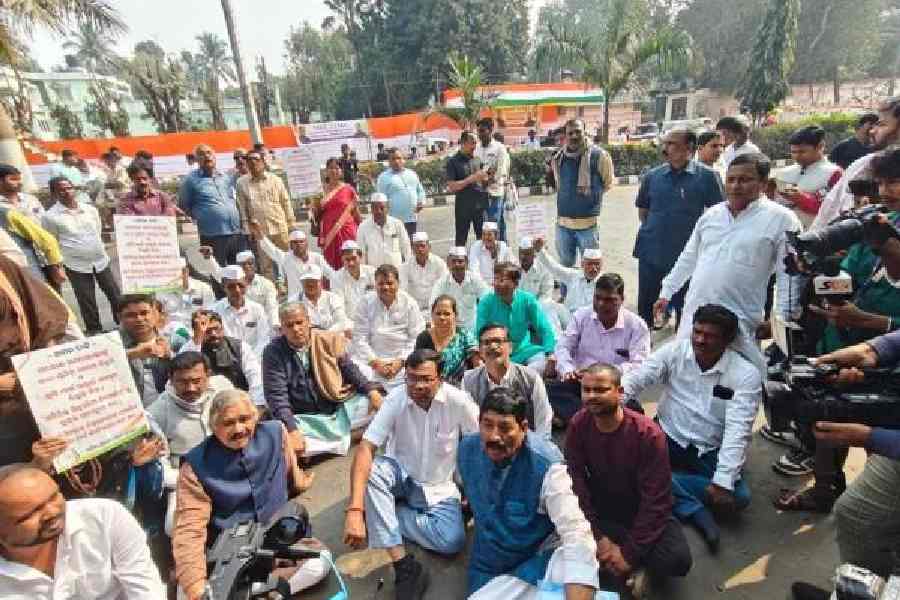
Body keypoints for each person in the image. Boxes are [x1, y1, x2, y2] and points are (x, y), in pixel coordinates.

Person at [771, 148, 900, 502]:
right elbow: (851, 274)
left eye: (895, 182)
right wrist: (819, 269)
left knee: (880, 437)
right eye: (883, 182)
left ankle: (881, 507)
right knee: (827, 413)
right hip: (843, 341)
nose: (886, 191)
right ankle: (826, 489)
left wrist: (869, 320)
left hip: (887, 361)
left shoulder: (886, 230)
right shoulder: (878, 222)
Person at [623, 304, 760, 552]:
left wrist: (723, 480)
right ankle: (694, 508)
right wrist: (609, 403)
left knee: (739, 497)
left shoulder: (745, 375)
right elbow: (638, 377)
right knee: (622, 458)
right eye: (697, 332)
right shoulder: (676, 351)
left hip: (708, 449)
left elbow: (738, 431)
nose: (700, 340)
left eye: (709, 336)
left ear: (727, 340)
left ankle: (662, 484)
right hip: (667, 434)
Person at [343, 349, 479, 598]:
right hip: (400, 478)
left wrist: (472, 488)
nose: (418, 386)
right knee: (372, 472)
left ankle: (382, 513)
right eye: (412, 378)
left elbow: (478, 444)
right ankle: (404, 565)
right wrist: (354, 510)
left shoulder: (459, 401)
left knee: (452, 542)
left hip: (439, 487)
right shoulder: (395, 399)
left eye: (426, 379)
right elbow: (366, 447)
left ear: (441, 377)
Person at [653, 152, 802, 373]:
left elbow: (789, 276)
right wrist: (666, 292)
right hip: (696, 314)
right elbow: (688, 258)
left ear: (763, 183)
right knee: (685, 376)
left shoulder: (782, 220)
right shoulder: (712, 216)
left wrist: (781, 319)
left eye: (744, 180)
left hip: (740, 320)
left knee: (736, 385)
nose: (735, 186)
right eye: (731, 179)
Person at [173, 390, 321, 600]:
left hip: (277, 542)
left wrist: (301, 483)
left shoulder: (276, 433)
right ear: (214, 427)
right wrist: (196, 585)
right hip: (228, 556)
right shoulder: (195, 466)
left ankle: (260, 592)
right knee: (191, 592)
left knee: (319, 563)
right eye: (229, 423)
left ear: (255, 417)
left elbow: (291, 475)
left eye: (244, 419)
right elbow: (190, 530)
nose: (239, 429)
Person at [457, 387, 599, 599]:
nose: (494, 436)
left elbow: (575, 530)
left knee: (574, 566)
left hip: (534, 561)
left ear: (523, 428)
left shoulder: (548, 465)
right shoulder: (467, 449)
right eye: (487, 425)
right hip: (487, 562)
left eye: (505, 428)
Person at [566, 365, 692, 594]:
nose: (592, 396)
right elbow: (575, 484)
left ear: (619, 391)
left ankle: (630, 565)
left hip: (640, 510)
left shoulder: (648, 433)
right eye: (586, 389)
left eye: (601, 389)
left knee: (678, 559)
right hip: (603, 512)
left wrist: (629, 554)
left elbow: (657, 501)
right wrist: (599, 537)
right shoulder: (578, 425)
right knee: (566, 539)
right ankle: (630, 565)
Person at [0, 464, 166, 599]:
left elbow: (145, 588)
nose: (52, 512)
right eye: (32, 512)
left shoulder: (105, 517)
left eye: (53, 496)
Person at [263, 302, 384, 457]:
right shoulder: (273, 352)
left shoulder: (325, 338)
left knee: (376, 403)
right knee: (281, 436)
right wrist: (292, 430)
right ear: (282, 329)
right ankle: (355, 435)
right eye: (289, 325)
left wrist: (371, 391)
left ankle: (330, 445)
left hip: (337, 407)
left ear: (308, 321)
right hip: (305, 419)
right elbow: (276, 396)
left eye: (299, 322)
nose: (296, 329)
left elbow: (348, 369)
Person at [635, 129, 726, 329]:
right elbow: (643, 211)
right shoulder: (653, 176)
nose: (665, 149)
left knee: (686, 309)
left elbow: (720, 214)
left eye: (672, 144)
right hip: (651, 252)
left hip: (686, 256)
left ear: (689, 148)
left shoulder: (707, 177)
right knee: (646, 306)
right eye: (665, 143)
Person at [0, 255, 75, 467]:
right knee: (15, 485)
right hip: (4, 417)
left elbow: (44, 313)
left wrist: (46, 363)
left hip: (33, 392)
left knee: (55, 462)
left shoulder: (4, 267)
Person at [550, 274, 651, 423]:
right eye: (597, 298)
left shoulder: (637, 326)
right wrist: (568, 370)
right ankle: (601, 418)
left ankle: (581, 418)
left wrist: (608, 374)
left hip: (612, 387)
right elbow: (563, 346)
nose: (602, 304)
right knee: (549, 390)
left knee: (635, 410)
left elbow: (640, 364)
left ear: (622, 299)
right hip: (581, 382)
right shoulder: (581, 316)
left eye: (610, 300)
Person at [42, 176, 121, 336]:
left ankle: (122, 324)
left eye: (69, 188)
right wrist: (57, 267)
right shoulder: (50, 217)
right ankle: (95, 330)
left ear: (74, 189)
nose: (66, 192)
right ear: (54, 193)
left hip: (100, 260)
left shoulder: (89, 210)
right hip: (75, 264)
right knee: (86, 299)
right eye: (61, 189)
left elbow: (97, 231)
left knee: (114, 294)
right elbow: (52, 242)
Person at [814, 97, 900, 230]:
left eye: (882, 124)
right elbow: (829, 211)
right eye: (880, 183)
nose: (872, 131)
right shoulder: (863, 165)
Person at [146, 351, 234, 477]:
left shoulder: (223, 388)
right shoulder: (156, 414)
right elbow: (160, 469)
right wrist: (190, 482)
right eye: (182, 382)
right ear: (170, 379)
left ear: (208, 375)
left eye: (196, 381)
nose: (190, 388)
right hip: (187, 483)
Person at [462, 323, 553, 438]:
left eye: (498, 341)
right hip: (487, 447)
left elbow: (543, 422)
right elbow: (470, 427)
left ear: (510, 347)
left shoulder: (530, 378)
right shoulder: (469, 380)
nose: (493, 346)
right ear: (480, 350)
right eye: (487, 343)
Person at [548, 118, 615, 268]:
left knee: (590, 269)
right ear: (565, 135)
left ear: (584, 132)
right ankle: (566, 293)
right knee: (565, 268)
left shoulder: (600, 156)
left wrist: (590, 197)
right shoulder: (558, 157)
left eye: (578, 131)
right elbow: (559, 186)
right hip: (563, 226)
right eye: (570, 133)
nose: (574, 136)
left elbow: (608, 183)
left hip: (588, 228)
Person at [352, 264, 425, 389]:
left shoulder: (409, 303)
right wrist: (375, 363)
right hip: (373, 361)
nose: (385, 287)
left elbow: (416, 336)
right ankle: (377, 389)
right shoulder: (365, 302)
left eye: (390, 283)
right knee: (353, 366)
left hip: (402, 361)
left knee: (419, 371)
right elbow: (360, 338)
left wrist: (401, 361)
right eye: (381, 284)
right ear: (375, 284)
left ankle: (381, 389)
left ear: (398, 283)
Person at [475, 262, 556, 374]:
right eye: (495, 279)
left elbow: (544, 329)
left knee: (540, 364)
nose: (496, 284)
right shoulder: (485, 302)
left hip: (525, 351)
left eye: (502, 280)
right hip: (497, 351)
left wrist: (550, 352)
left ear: (515, 283)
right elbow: (480, 333)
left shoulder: (528, 300)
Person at [0, 164, 66, 288]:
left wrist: (56, 264)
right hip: (23, 262)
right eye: (13, 179)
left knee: (55, 298)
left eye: (19, 178)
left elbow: (45, 229)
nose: (19, 182)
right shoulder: (2, 209)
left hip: (47, 257)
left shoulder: (31, 200)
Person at [179, 144, 245, 266]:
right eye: (202, 154)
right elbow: (183, 205)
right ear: (196, 160)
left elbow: (232, 199)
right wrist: (201, 216)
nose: (206, 156)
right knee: (217, 272)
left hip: (235, 232)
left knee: (237, 273)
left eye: (209, 152)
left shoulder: (225, 177)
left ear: (214, 156)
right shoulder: (190, 180)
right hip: (212, 235)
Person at [236, 149, 297, 280]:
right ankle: (273, 294)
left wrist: (291, 225)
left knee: (287, 260)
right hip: (260, 232)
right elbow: (242, 208)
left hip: (280, 228)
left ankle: (290, 287)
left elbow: (286, 202)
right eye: (249, 160)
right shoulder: (241, 183)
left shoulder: (276, 180)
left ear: (263, 162)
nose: (253, 163)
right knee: (266, 266)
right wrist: (248, 230)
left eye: (256, 159)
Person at [180, 311, 264, 405]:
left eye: (217, 329)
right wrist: (197, 339)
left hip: (239, 404)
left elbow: (256, 381)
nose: (214, 334)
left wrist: (256, 406)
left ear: (223, 328)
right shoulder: (192, 348)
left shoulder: (239, 347)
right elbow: (184, 368)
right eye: (208, 331)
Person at [770, 125, 843, 228]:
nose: (797, 156)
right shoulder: (784, 172)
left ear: (820, 146)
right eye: (793, 152)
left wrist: (799, 197)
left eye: (802, 152)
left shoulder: (833, 173)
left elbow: (830, 208)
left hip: (814, 234)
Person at [249, 223, 330, 301]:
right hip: (296, 301)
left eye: (301, 241)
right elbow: (270, 249)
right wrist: (259, 233)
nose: (298, 244)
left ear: (306, 243)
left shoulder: (317, 258)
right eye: (295, 242)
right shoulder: (285, 258)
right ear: (290, 245)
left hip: (317, 300)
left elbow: (330, 275)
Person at [532, 236, 605, 317]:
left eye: (597, 264)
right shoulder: (573, 276)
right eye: (590, 264)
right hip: (570, 318)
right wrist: (540, 251)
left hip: (592, 321)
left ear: (601, 265)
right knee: (547, 306)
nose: (593, 268)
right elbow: (554, 267)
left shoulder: (605, 282)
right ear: (582, 264)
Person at [210, 265, 273, 357]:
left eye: (241, 285)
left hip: (256, 359)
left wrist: (251, 359)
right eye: (231, 287)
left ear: (246, 284)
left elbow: (264, 339)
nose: (237, 290)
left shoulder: (257, 309)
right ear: (224, 287)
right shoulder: (215, 311)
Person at [415, 295, 479, 385]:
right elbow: (418, 367)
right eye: (438, 313)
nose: (442, 317)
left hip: (462, 388)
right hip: (431, 387)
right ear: (432, 315)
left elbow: (478, 366)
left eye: (446, 314)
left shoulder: (465, 336)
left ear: (455, 315)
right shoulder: (424, 337)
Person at [314, 157, 361, 270]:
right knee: (330, 263)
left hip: (347, 230)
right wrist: (314, 209)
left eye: (337, 168)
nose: (334, 171)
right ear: (326, 170)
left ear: (341, 171)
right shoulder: (320, 191)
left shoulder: (348, 189)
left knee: (350, 257)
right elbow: (316, 214)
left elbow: (355, 212)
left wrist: (362, 229)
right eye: (330, 168)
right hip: (329, 231)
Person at [429, 246, 490, 332]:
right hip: (450, 328)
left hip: (473, 328)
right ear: (448, 264)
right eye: (453, 261)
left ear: (467, 263)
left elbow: (487, 299)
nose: (457, 264)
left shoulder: (475, 280)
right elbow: (433, 305)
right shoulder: (441, 283)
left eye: (460, 261)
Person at [447, 130, 490, 246]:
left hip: (480, 206)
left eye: (476, 143)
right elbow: (452, 187)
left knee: (483, 239)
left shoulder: (477, 160)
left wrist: (489, 179)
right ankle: (460, 263)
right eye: (472, 143)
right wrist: (471, 179)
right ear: (463, 143)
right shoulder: (453, 162)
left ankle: (483, 263)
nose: (474, 146)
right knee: (461, 240)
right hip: (463, 207)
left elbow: (483, 182)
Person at [326, 239, 376, 330]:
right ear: (342, 260)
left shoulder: (372, 272)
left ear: (360, 257)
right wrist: (351, 326)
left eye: (354, 258)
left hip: (374, 321)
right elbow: (339, 308)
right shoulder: (336, 277)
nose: (351, 263)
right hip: (350, 324)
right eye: (347, 260)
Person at [474, 118, 511, 241]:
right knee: (489, 224)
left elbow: (501, 171)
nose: (480, 134)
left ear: (490, 130)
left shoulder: (500, 148)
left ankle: (500, 252)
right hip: (480, 193)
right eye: (478, 131)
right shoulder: (476, 148)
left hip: (495, 192)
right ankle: (502, 247)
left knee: (493, 224)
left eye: (482, 131)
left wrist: (489, 180)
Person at [377, 147, 426, 238]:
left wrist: (421, 202)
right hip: (393, 221)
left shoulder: (412, 174)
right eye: (393, 159)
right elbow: (381, 200)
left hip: (411, 219)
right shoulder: (383, 178)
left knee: (411, 245)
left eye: (399, 158)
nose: (396, 161)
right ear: (389, 161)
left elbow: (420, 191)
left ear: (403, 159)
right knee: (396, 248)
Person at [155, 258, 216, 328]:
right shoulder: (160, 292)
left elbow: (211, 316)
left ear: (186, 271)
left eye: (176, 270)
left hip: (198, 331)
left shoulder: (204, 289)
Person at [400, 232, 448, 317]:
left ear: (429, 247)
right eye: (417, 246)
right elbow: (402, 289)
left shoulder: (439, 263)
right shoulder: (406, 266)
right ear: (412, 249)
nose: (420, 249)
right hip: (414, 308)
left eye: (422, 246)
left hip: (435, 307)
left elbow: (445, 286)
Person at [356, 192, 411, 268]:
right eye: (375, 208)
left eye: (382, 208)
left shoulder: (397, 224)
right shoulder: (363, 227)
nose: (379, 211)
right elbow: (361, 253)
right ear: (371, 209)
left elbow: (406, 247)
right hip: (374, 273)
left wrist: (408, 267)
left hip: (396, 271)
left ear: (388, 208)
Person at [299, 267, 351, 333]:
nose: (310, 284)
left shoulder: (333, 298)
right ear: (301, 283)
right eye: (307, 281)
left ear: (321, 281)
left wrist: (324, 335)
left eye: (314, 281)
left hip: (332, 336)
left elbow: (341, 322)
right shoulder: (295, 301)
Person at [517, 236, 554, 302]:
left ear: (534, 254)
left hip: (538, 307)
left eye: (527, 254)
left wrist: (533, 307)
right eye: (521, 253)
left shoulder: (545, 270)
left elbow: (546, 295)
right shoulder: (513, 269)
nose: (523, 257)